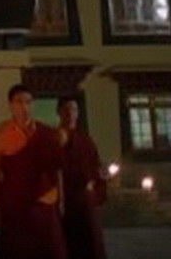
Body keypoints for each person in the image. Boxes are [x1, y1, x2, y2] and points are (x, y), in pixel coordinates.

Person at [0, 84, 67, 259]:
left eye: (28, 102)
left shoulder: (47, 133)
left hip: (44, 200)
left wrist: (61, 200)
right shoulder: (1, 134)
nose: (24, 106)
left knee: (50, 250)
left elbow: (57, 170)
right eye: (19, 102)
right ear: (10, 105)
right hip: (14, 204)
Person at [57, 97, 107, 259]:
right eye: (66, 110)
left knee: (90, 242)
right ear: (59, 113)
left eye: (74, 109)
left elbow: (95, 166)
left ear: (78, 113)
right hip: (64, 199)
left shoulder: (85, 140)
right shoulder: (54, 139)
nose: (70, 114)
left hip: (84, 199)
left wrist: (99, 178)